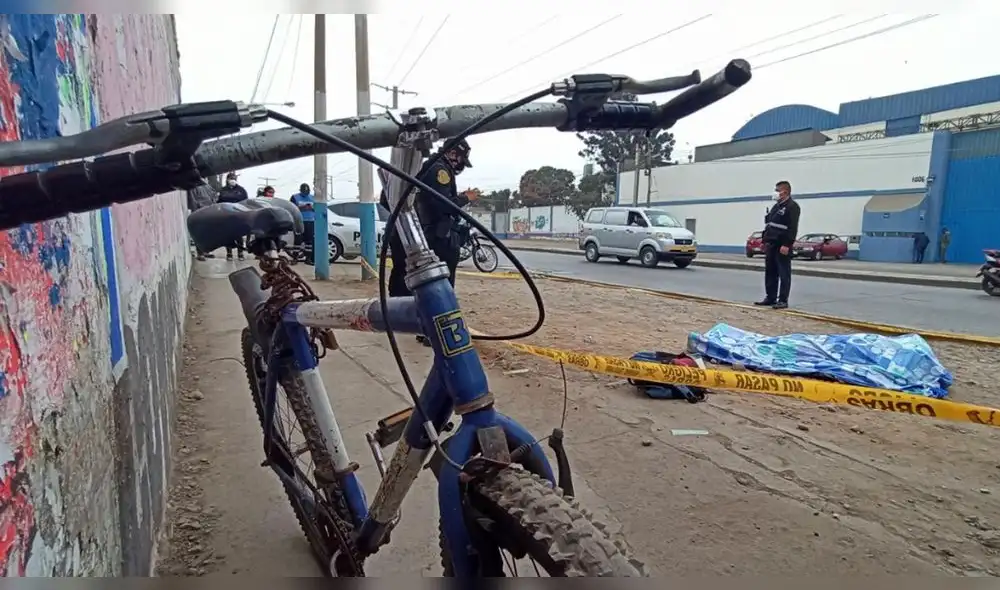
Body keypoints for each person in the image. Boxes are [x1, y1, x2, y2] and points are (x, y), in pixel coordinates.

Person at [381, 139, 472, 345]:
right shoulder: (439, 170)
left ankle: (411, 323)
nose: (460, 167)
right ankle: (435, 332)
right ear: (454, 155)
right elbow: (443, 205)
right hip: (435, 236)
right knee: (441, 284)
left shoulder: (420, 166)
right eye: (461, 161)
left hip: (410, 233)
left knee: (406, 279)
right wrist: (465, 198)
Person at [754, 180, 800, 310]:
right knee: (770, 272)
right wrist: (764, 241)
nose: (775, 193)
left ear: (784, 192)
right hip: (771, 244)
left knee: (783, 273)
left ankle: (783, 300)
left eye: (777, 190)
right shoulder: (776, 206)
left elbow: (792, 228)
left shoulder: (792, 206)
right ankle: (770, 297)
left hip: (782, 245)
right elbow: (769, 225)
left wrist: (787, 244)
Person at [217, 172, 249, 260]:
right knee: (227, 236)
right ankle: (229, 254)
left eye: (234, 178)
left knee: (239, 235)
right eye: (231, 178)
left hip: (238, 215)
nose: (232, 180)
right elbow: (218, 202)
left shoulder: (241, 190)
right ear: (227, 180)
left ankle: (240, 253)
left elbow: (246, 203)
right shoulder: (223, 190)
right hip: (226, 215)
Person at [186, 181, 218, 261]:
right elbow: (192, 200)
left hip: (209, 211)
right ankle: (200, 253)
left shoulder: (206, 185)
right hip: (199, 211)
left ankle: (205, 251)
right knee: (199, 233)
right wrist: (196, 210)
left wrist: (213, 202)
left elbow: (214, 194)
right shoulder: (193, 185)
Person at [290, 183, 316, 263]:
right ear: (300, 191)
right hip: (299, 221)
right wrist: (301, 208)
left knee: (309, 241)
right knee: (298, 241)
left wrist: (312, 208)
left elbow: (318, 209)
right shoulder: (295, 197)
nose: (306, 193)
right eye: (304, 192)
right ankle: (295, 258)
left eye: (307, 192)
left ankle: (308, 258)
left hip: (310, 221)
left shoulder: (313, 197)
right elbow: (291, 209)